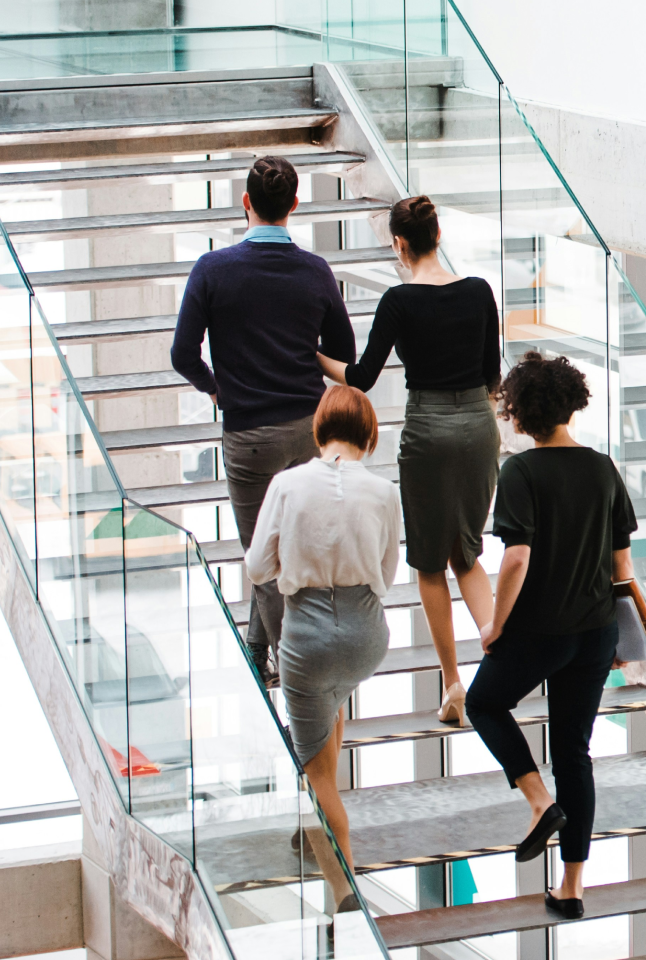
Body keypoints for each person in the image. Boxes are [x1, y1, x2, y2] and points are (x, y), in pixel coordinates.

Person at [464, 352, 638, 921]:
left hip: (541, 631)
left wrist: (494, 625)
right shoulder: (603, 468)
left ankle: (540, 804)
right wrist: (621, 641)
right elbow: (623, 570)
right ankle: (571, 889)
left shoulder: (521, 473)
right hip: (594, 634)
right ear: (571, 403)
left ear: (520, 413)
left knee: (483, 702)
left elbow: (515, 559)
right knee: (574, 754)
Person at [171, 156, 356, 685]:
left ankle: (291, 667)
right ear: (294, 206)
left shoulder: (212, 269)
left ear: (246, 202)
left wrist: (217, 388)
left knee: (263, 557)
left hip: (248, 435)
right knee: (292, 545)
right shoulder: (315, 271)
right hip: (307, 429)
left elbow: (184, 354)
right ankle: (259, 652)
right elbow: (342, 352)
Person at [317, 195, 500, 725]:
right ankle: (496, 659)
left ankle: (451, 684)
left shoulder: (398, 301)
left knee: (428, 561)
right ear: (437, 235)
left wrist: (312, 354)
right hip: (477, 427)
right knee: (468, 553)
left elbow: (362, 377)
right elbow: (491, 374)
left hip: (427, 431)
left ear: (400, 244)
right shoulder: (479, 292)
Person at [245, 385, 401, 911]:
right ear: (370, 433)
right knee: (331, 706)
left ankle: (344, 889)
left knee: (317, 776)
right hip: (365, 636)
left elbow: (257, 569)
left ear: (319, 430)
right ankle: (320, 842)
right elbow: (386, 574)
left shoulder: (287, 485)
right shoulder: (383, 492)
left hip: (307, 635)